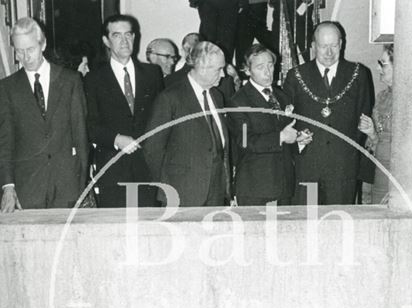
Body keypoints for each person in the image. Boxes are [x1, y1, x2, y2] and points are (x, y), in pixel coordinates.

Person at [0, 18, 88, 213]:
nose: (25, 57)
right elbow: (5, 143)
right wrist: (8, 187)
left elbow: (81, 137)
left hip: (67, 186)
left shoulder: (71, 81)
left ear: (43, 44)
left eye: (30, 49)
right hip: (27, 188)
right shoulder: (6, 88)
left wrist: (80, 187)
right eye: (19, 51)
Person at [283, 21, 373, 205]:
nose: (329, 53)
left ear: (341, 44)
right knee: (308, 223)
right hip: (308, 166)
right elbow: (286, 121)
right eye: (324, 46)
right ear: (314, 46)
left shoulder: (358, 74)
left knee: (339, 225)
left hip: (343, 170)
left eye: (334, 46)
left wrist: (346, 155)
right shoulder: (296, 76)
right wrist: (298, 141)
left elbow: (362, 119)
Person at [83, 14, 164, 208]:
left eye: (128, 34)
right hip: (113, 170)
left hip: (148, 169)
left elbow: (162, 119)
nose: (124, 41)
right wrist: (115, 139)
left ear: (134, 38)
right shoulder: (93, 79)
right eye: (117, 35)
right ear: (106, 41)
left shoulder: (153, 74)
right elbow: (89, 125)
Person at [144, 41, 230, 207]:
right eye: (219, 69)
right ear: (201, 67)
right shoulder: (170, 98)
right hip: (181, 194)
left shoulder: (217, 96)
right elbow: (152, 149)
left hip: (216, 193)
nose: (223, 74)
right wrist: (169, 184)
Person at [228, 44, 299, 205]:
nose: (268, 71)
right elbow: (245, 142)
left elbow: (288, 135)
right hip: (256, 188)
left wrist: (298, 140)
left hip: (284, 185)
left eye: (270, 65)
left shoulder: (282, 97)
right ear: (247, 70)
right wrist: (280, 137)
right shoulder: (239, 101)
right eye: (260, 67)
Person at [358, 43, 393, 204]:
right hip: (376, 168)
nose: (378, 68)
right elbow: (377, 139)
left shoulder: (410, 101)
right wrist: (371, 132)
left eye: (383, 64)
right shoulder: (382, 97)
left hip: (395, 175)